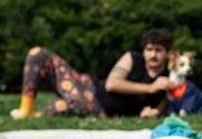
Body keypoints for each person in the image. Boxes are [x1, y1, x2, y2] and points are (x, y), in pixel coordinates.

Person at [10, 28, 174, 119]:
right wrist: (149, 88)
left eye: (158, 50)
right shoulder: (133, 58)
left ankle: (39, 115)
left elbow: (160, 108)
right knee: (38, 54)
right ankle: (26, 109)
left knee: (69, 106)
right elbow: (112, 83)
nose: (153, 55)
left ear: (167, 53)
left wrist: (151, 114)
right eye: (149, 49)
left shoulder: (167, 78)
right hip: (87, 89)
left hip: (96, 110)